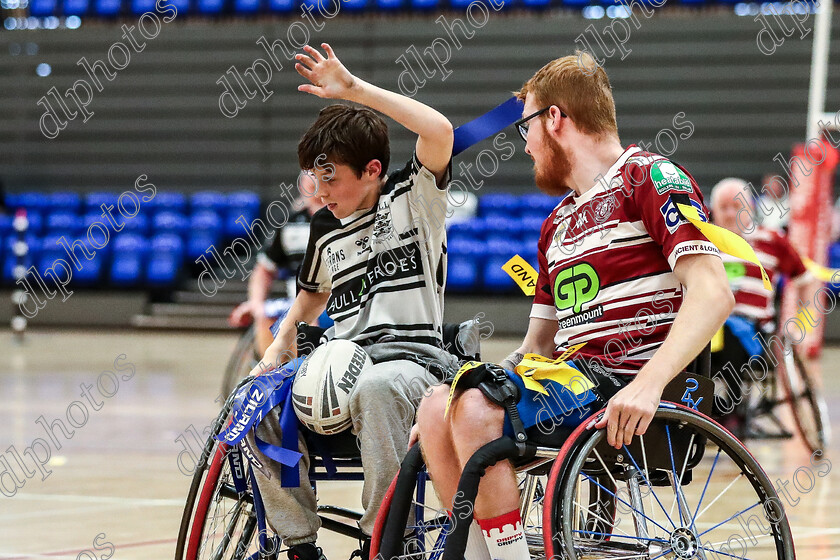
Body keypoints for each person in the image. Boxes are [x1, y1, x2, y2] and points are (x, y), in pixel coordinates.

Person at [412, 52, 734, 560]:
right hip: (573, 382)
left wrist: (647, 384)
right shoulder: (556, 222)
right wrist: (464, 393)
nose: (524, 147)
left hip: (636, 382)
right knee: (438, 406)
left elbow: (715, 292)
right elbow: (536, 344)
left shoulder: (649, 177)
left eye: (526, 130)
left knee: (471, 408)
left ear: (555, 119)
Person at [244, 43, 457, 560]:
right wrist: (279, 345)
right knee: (257, 407)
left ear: (371, 169)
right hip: (340, 364)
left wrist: (355, 91)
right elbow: (314, 292)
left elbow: (441, 131)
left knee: (380, 388)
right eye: (314, 179)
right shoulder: (323, 226)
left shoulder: (413, 197)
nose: (319, 191)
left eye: (330, 178)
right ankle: (298, 543)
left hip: (412, 365)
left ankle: (382, 543)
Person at [708, 177, 811, 416]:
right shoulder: (703, 242)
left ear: (750, 209)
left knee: (732, 333)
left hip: (753, 330)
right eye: (724, 207)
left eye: (737, 206)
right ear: (714, 211)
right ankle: (702, 408)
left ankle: (729, 410)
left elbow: (806, 280)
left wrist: (800, 322)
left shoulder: (771, 240)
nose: (731, 213)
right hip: (708, 325)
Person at [228, 173, 325, 355]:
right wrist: (255, 303)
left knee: (307, 318)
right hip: (296, 301)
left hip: (335, 303)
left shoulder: (348, 221)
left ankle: (304, 373)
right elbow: (264, 270)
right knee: (266, 313)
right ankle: (271, 376)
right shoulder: (291, 224)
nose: (318, 194)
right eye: (310, 187)